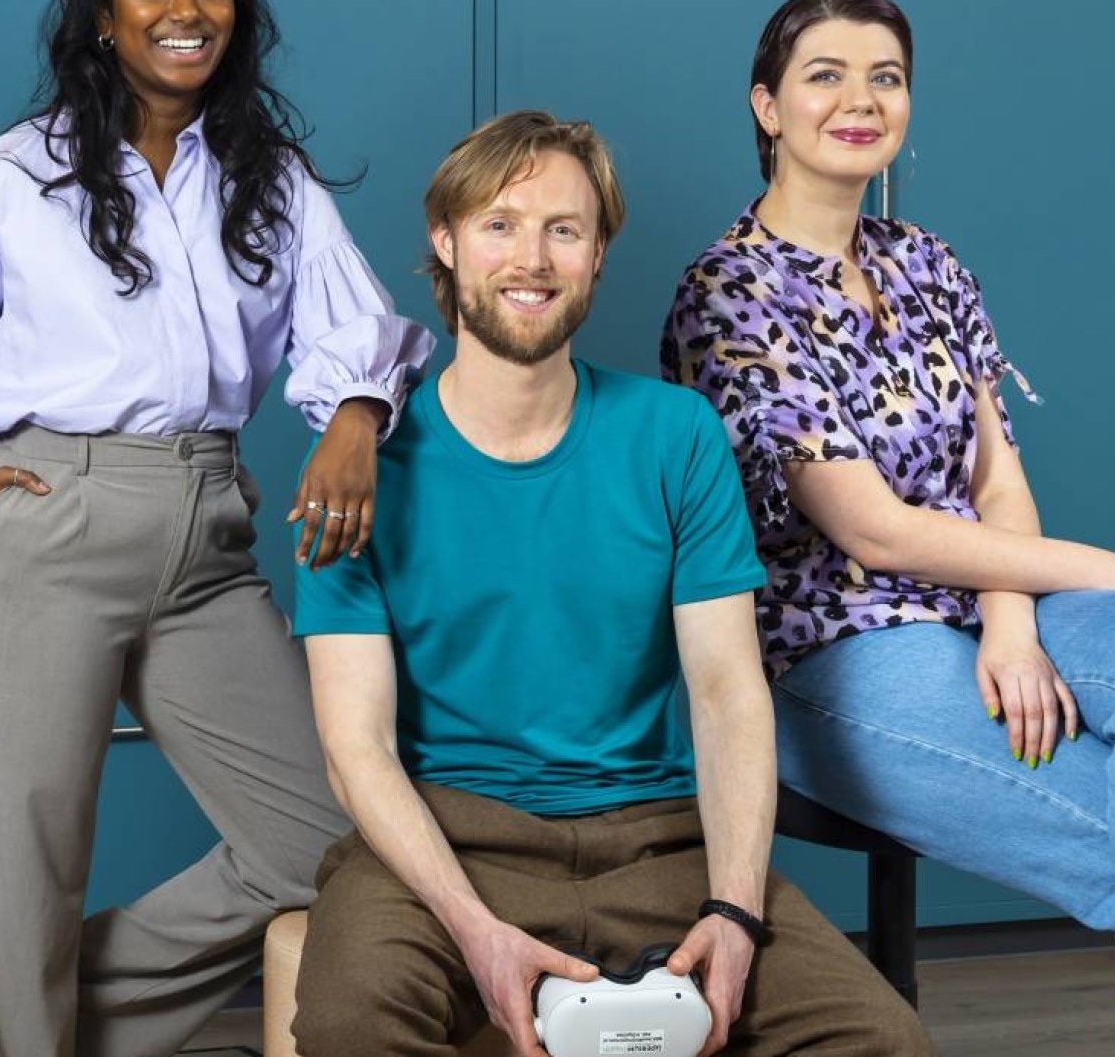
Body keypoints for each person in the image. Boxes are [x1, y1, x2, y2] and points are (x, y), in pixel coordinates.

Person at [0, 0, 433, 1057]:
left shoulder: (270, 178)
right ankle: (23, 1011)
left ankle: (35, 1019)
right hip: (47, 530)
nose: (186, 9)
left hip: (208, 534)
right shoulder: (19, 177)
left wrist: (357, 413)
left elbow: (356, 332)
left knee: (330, 835)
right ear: (103, 13)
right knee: (22, 880)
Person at [661, 0, 1115, 1057]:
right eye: (825, 75)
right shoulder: (729, 291)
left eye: (883, 77)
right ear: (765, 106)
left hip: (974, 607)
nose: (860, 99)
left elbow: (996, 482)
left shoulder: (926, 262)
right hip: (828, 650)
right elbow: (872, 532)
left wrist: (1012, 615)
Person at [291, 110, 932, 1057]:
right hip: (453, 838)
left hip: (662, 842)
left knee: (885, 1043)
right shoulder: (359, 473)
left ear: (598, 253)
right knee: (352, 1026)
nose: (532, 258)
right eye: (500, 225)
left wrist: (735, 911)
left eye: (564, 229)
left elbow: (724, 693)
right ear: (446, 243)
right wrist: (473, 929)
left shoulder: (674, 436)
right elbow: (358, 753)